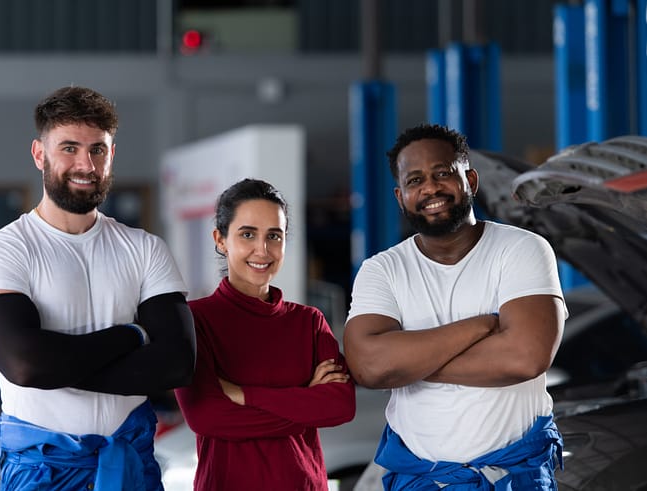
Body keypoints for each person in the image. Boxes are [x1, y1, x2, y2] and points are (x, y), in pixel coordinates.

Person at [0, 85, 196, 491]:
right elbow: (26, 365)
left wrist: (60, 364)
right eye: (69, 148)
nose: (85, 164)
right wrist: (133, 335)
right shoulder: (2, 252)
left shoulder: (144, 249)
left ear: (111, 155)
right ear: (40, 154)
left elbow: (177, 364)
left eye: (98, 150)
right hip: (42, 472)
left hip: (129, 467)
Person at [343, 124, 567, 490]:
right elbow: (368, 367)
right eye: (415, 180)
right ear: (400, 196)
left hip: (513, 478)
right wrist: (480, 327)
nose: (430, 188)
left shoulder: (522, 249)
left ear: (471, 180)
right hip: (421, 481)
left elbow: (525, 358)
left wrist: (408, 362)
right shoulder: (382, 270)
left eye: (442, 173)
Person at [174, 178, 356, 490]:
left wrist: (244, 395)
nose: (263, 249)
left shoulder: (309, 322)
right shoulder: (193, 320)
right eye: (248, 234)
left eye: (274, 236)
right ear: (220, 239)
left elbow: (340, 406)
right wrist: (307, 403)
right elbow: (206, 416)